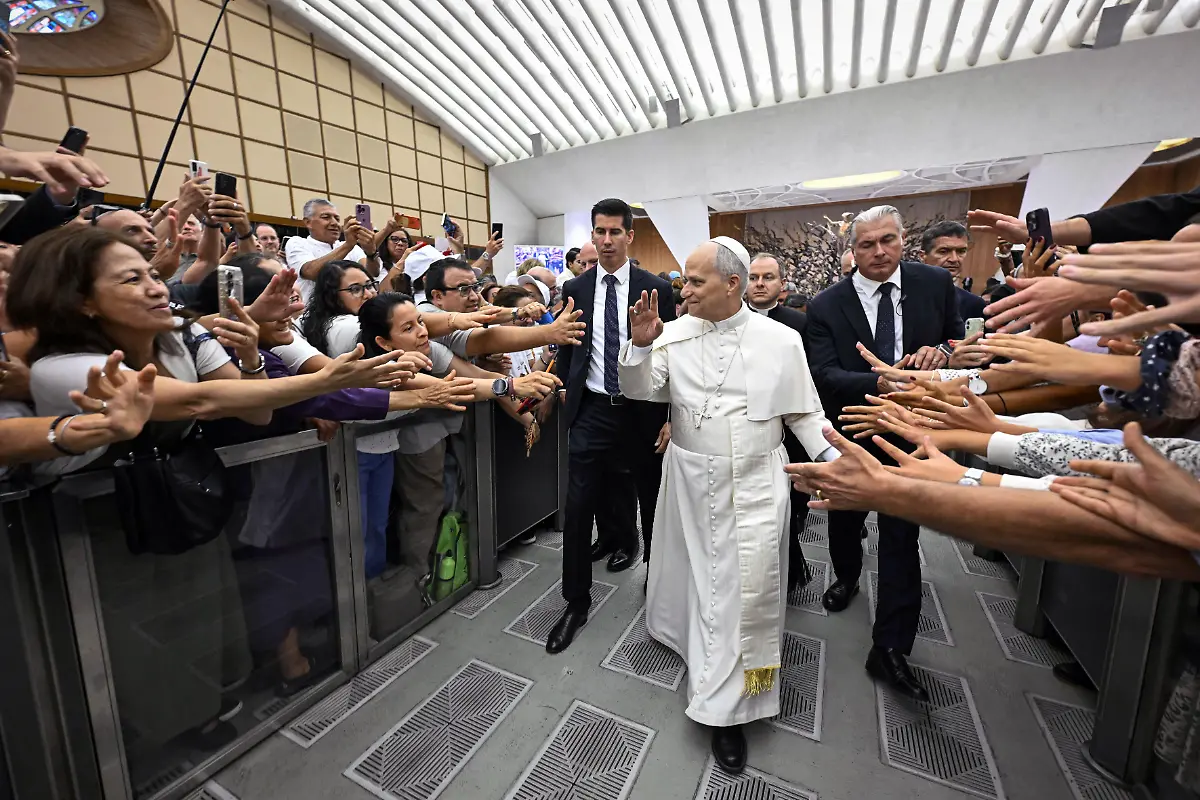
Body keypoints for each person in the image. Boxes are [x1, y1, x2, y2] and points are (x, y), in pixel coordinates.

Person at [618, 236, 834, 774]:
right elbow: (642, 391)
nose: (684, 290)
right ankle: (693, 648)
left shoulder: (781, 339)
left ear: (732, 284)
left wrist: (833, 461)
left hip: (755, 479)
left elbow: (804, 413)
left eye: (695, 282)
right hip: (689, 478)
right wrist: (640, 347)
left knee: (744, 593)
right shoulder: (673, 332)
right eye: (685, 281)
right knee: (699, 579)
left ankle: (728, 710)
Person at [803, 204, 962, 702]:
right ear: (852, 250)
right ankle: (847, 575)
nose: (878, 252)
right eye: (867, 244)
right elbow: (824, 374)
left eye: (887, 240)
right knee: (845, 517)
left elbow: (958, 339)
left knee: (901, 536)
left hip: (916, 433)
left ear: (903, 239)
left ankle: (891, 646)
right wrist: (885, 382)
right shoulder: (827, 305)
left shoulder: (935, 284)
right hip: (853, 430)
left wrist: (945, 353)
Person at [545, 198, 674, 655]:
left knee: (654, 503)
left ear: (629, 236)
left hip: (644, 409)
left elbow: (672, 356)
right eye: (599, 231)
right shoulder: (576, 287)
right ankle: (575, 602)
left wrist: (671, 416)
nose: (605, 240)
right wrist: (563, 387)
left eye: (614, 231)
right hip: (593, 410)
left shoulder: (656, 288)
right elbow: (569, 345)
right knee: (578, 507)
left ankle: (659, 587)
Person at [746, 252, 812, 590]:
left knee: (786, 502)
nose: (759, 284)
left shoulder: (799, 324)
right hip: (745, 424)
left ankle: (786, 568)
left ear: (782, 284)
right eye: (753, 277)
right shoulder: (731, 319)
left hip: (789, 426)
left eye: (767, 277)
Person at [284, 198, 380, 304]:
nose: (334, 223)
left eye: (337, 219)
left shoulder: (350, 247)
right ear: (308, 222)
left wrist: (371, 252)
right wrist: (348, 246)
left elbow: (372, 273)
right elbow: (310, 272)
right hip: (314, 312)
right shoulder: (298, 243)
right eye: (326, 217)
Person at [920, 221, 987, 322]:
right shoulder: (902, 296)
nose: (954, 259)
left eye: (961, 251)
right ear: (922, 256)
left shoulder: (974, 305)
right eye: (943, 251)